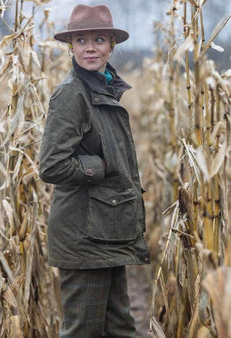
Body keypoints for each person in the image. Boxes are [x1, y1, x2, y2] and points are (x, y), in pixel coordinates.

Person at [39, 4, 149, 337]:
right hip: (83, 235)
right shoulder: (72, 93)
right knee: (82, 330)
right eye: (81, 40)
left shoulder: (103, 87)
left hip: (106, 228)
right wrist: (99, 166)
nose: (90, 47)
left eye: (99, 39)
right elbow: (52, 164)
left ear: (111, 45)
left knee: (120, 326)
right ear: (71, 46)